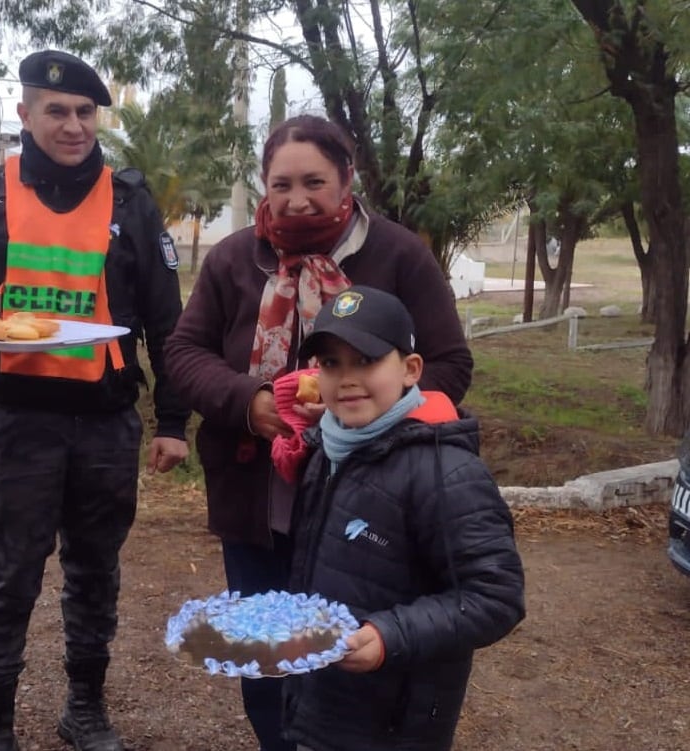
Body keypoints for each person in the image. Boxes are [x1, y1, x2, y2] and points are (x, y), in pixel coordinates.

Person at [163, 115, 474, 751]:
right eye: (281, 184)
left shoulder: (395, 255)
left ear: (347, 179)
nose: (297, 198)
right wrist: (250, 402)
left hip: (368, 507)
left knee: (351, 656)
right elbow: (184, 351)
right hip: (260, 499)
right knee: (270, 656)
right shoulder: (232, 259)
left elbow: (448, 364)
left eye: (314, 181)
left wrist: (366, 416)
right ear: (262, 185)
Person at [0, 50, 190, 751]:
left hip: (106, 422)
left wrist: (172, 423)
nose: (72, 125)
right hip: (20, 423)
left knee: (95, 572)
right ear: (25, 114)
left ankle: (85, 709)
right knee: (8, 573)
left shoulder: (130, 202)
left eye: (84, 112)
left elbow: (166, 323)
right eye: (56, 111)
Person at [284, 285, 525, 751]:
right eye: (331, 363)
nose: (347, 378)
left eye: (366, 360)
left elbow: (496, 597)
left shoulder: (446, 472)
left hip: (396, 724)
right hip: (321, 702)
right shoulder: (327, 450)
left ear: (411, 370)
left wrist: (389, 636)